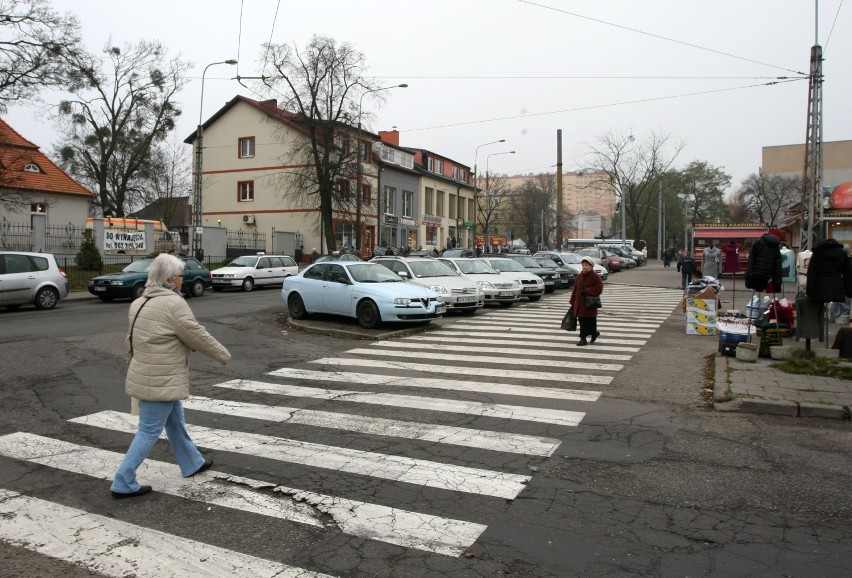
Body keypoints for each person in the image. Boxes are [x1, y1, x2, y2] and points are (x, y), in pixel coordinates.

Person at [111, 253, 231, 498]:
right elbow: (194, 333)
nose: (181, 279)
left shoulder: (139, 302)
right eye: (179, 275)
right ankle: (123, 481)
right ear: (168, 279)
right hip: (161, 377)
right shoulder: (173, 304)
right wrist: (222, 354)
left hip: (147, 373)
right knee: (148, 431)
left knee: (175, 422)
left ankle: (192, 462)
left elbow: (130, 341)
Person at [570, 256, 604, 346]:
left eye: (586, 265)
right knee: (582, 321)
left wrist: (588, 290)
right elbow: (575, 289)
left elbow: (599, 288)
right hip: (580, 304)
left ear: (591, 266)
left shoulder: (595, 276)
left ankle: (590, 335)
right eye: (583, 265)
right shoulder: (579, 276)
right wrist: (572, 301)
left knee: (591, 321)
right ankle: (584, 338)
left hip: (590, 304)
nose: (584, 267)